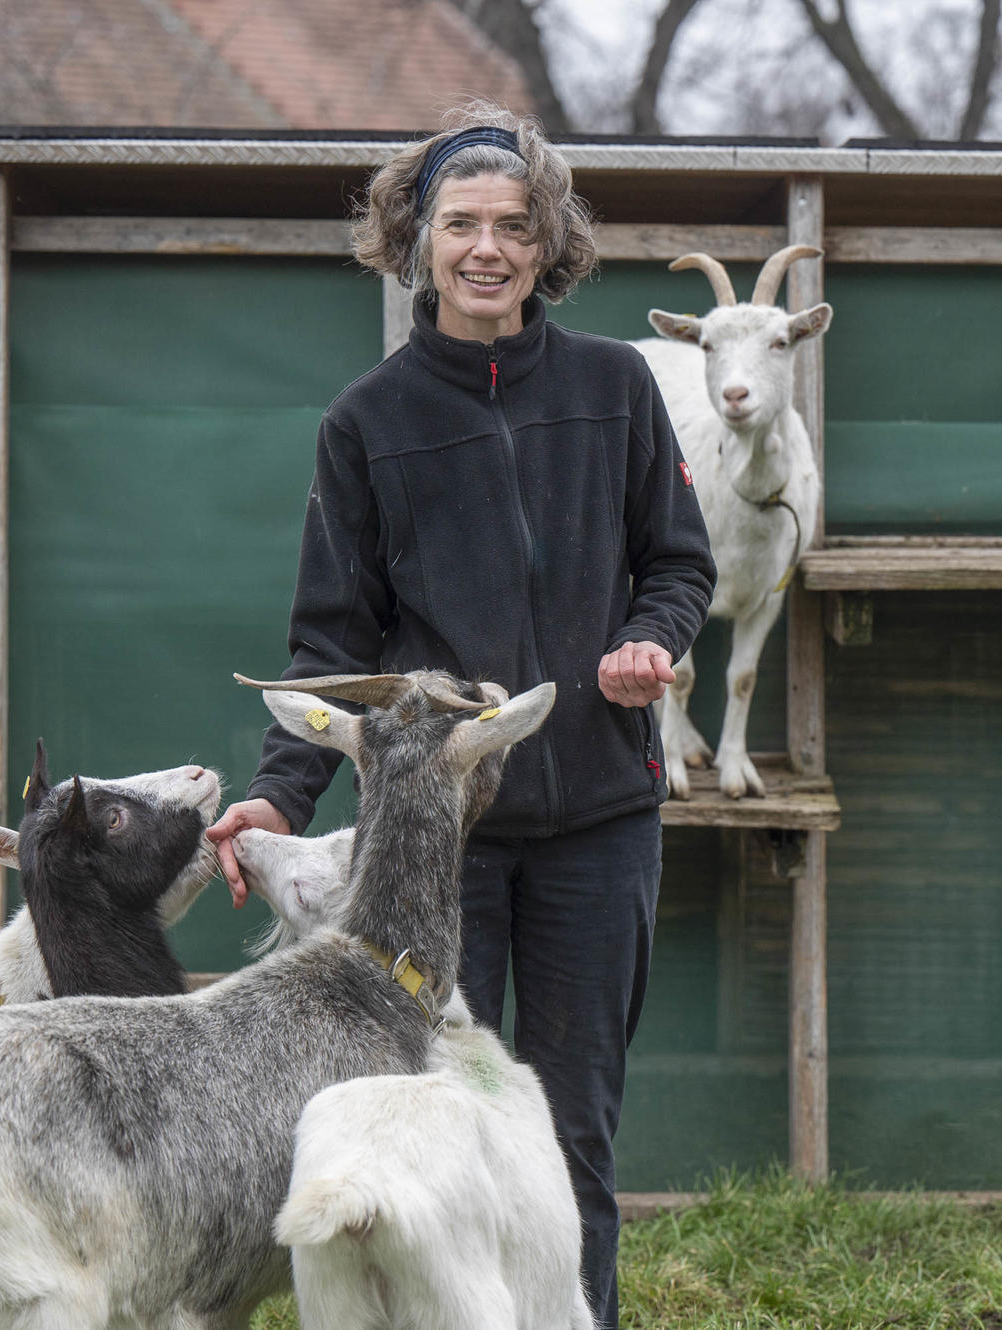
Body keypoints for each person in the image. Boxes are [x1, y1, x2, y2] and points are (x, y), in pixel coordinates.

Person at [204, 100, 715, 1329]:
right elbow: (332, 641)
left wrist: (652, 641)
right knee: (435, 1112)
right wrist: (280, 790)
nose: (486, 248)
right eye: (461, 224)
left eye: (513, 226)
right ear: (415, 239)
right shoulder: (367, 422)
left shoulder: (616, 388)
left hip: (602, 816)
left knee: (574, 1121)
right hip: (435, 847)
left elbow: (677, 562)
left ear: (549, 247)